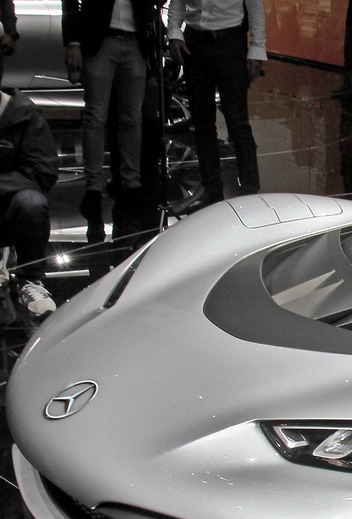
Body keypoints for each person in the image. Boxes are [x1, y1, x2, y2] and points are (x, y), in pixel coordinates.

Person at [62, 0, 158, 229]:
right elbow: (70, 2)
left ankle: (131, 183)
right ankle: (94, 187)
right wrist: (73, 41)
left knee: (132, 118)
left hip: (135, 39)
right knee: (96, 117)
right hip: (100, 39)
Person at [167, 0, 266, 208]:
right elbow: (178, 2)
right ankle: (210, 187)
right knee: (202, 123)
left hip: (230, 42)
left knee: (237, 121)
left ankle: (250, 190)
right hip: (194, 43)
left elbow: (254, 6)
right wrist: (174, 31)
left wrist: (257, 47)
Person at [0, 61, 59, 318]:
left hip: (11, 209)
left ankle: (30, 280)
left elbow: (43, 171)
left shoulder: (25, 114)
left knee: (31, 203)